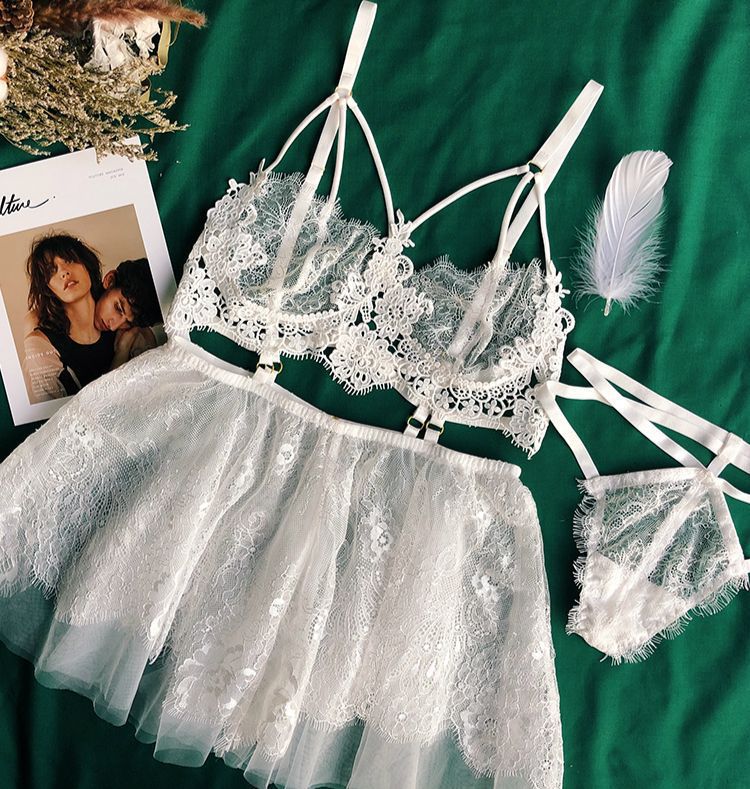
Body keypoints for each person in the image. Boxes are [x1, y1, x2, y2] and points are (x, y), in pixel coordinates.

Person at [22, 234, 163, 402]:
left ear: (87, 266)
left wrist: (124, 349)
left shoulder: (132, 336)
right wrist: (121, 355)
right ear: (47, 288)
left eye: (69, 261)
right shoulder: (41, 345)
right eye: (51, 270)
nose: (64, 272)